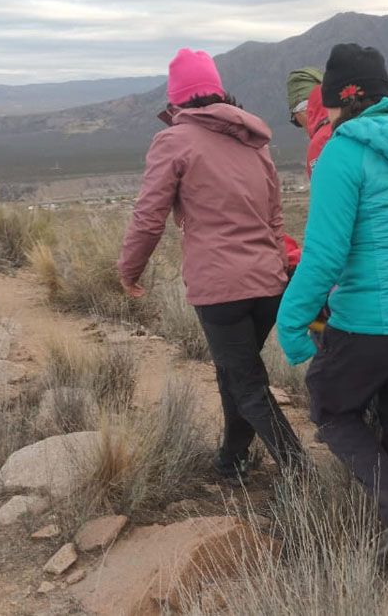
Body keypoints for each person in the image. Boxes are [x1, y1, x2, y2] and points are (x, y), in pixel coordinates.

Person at [276, 43, 388, 569]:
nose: (324, 115)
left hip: (378, 323)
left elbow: (325, 255)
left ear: (340, 101)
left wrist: (290, 321)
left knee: (332, 407)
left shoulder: (341, 150)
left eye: (328, 104)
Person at [119, 48, 306, 480]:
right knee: (235, 372)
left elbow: (149, 215)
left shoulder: (173, 141)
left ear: (177, 99)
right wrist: (278, 265)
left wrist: (130, 270)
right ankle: (232, 458)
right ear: (219, 90)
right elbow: (275, 215)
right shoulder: (253, 141)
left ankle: (301, 473)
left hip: (220, 288)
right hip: (267, 284)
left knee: (245, 382)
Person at [285, 67, 333, 178]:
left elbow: (326, 192)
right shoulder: (354, 123)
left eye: (296, 121)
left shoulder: (320, 142)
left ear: (303, 112)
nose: (303, 127)